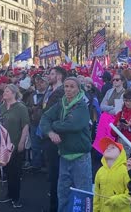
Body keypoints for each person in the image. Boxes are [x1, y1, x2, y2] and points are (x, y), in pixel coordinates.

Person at [40, 77, 93, 212]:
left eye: (72, 87)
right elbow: (45, 117)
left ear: (78, 89)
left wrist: (53, 125)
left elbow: (73, 125)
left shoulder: (82, 105)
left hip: (80, 157)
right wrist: (50, 133)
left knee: (82, 195)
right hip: (64, 155)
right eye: (66, 86)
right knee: (63, 194)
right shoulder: (60, 103)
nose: (68, 89)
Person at [0, 84, 30, 208]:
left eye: (7, 91)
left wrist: (22, 142)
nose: (4, 93)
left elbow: (25, 126)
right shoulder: (1, 107)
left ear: (14, 93)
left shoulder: (21, 107)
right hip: (2, 145)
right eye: (4, 91)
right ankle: (9, 194)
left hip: (15, 144)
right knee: (6, 171)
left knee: (14, 173)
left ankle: (15, 198)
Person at [40, 66, 66, 212]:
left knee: (56, 174)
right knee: (52, 174)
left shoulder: (61, 92)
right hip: (47, 136)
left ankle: (55, 207)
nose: (48, 76)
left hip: (55, 139)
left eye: (52, 74)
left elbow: (52, 115)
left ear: (59, 76)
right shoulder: (50, 92)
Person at [93, 137, 131, 212]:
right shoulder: (100, 172)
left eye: (113, 147)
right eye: (106, 148)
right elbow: (96, 197)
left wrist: (117, 199)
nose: (108, 149)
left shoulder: (125, 170)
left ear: (121, 154)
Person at [111, 89, 131, 155]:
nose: (128, 103)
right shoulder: (120, 114)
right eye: (126, 101)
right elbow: (113, 133)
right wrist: (118, 126)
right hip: (123, 145)